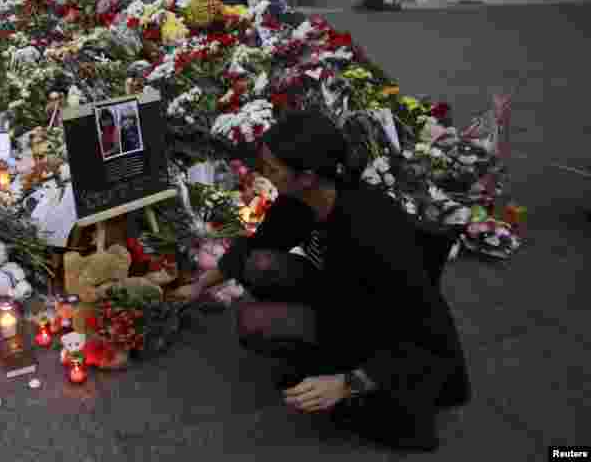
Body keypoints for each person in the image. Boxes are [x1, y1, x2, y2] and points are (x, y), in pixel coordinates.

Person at [179, 111, 470, 451]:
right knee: (259, 265)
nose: (263, 174)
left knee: (255, 321)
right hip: (342, 297)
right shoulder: (303, 199)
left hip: (391, 334)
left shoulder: (371, 231)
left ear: (306, 177)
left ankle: (334, 367)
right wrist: (199, 286)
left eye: (272, 169)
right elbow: (257, 245)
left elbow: (416, 328)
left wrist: (348, 383)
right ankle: (320, 355)